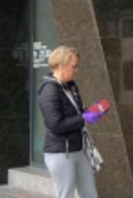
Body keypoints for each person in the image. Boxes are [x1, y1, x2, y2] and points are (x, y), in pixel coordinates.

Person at [38, 46, 102, 198]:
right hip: (60, 153)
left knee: (89, 193)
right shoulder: (49, 90)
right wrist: (84, 118)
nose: (76, 70)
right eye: (74, 66)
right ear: (61, 65)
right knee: (65, 194)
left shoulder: (71, 85)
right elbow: (56, 125)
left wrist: (90, 111)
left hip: (78, 149)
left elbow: (75, 112)